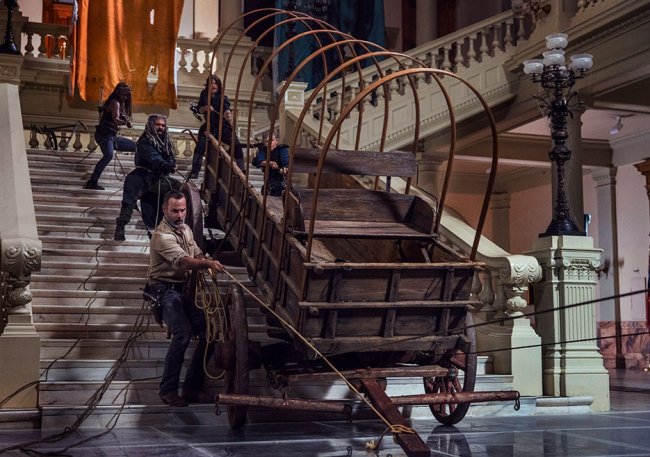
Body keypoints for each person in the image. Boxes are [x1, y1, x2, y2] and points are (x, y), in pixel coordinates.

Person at [147, 189, 224, 407]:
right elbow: (184, 261)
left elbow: (195, 252)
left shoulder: (186, 229)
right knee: (182, 332)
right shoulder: (161, 236)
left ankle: (191, 388)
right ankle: (168, 390)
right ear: (164, 209)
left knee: (209, 332)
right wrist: (206, 264)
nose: (180, 215)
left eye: (183, 210)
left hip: (181, 292)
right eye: (175, 211)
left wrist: (204, 258)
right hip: (164, 291)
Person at [114, 114, 177, 241]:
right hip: (142, 174)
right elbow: (152, 156)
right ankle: (120, 226)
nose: (161, 128)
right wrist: (165, 165)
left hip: (158, 178)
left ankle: (165, 228)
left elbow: (170, 157)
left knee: (177, 188)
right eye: (158, 125)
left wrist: (171, 164)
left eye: (163, 125)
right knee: (129, 200)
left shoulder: (166, 142)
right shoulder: (144, 141)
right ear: (151, 125)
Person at [85, 82, 137, 190]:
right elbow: (116, 119)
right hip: (104, 135)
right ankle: (92, 181)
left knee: (137, 147)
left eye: (127, 96)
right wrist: (126, 123)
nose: (125, 98)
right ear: (119, 93)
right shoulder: (115, 102)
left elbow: (118, 116)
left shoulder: (119, 104)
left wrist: (124, 118)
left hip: (112, 137)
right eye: (124, 95)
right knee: (108, 155)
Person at [190, 74, 244, 178]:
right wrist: (206, 107)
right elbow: (199, 109)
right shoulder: (204, 95)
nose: (213, 86)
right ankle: (195, 171)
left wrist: (228, 114)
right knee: (200, 146)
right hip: (209, 126)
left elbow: (226, 108)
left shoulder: (222, 97)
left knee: (236, 145)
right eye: (211, 84)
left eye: (215, 84)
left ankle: (242, 170)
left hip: (223, 127)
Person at [253, 130, 289, 196]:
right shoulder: (263, 150)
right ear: (264, 142)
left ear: (276, 141)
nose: (270, 143)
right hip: (269, 180)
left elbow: (286, 163)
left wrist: (284, 169)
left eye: (272, 140)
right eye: (267, 141)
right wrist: (271, 163)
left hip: (281, 179)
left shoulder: (282, 149)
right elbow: (260, 161)